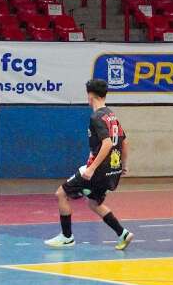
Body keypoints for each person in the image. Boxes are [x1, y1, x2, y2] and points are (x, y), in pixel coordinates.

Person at [45, 79, 134, 250]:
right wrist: (123, 165)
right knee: (94, 202)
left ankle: (67, 237)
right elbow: (125, 142)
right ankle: (122, 233)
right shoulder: (111, 115)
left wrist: (92, 168)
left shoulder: (97, 117)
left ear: (90, 96)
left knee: (61, 194)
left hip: (97, 171)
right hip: (112, 170)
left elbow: (107, 143)